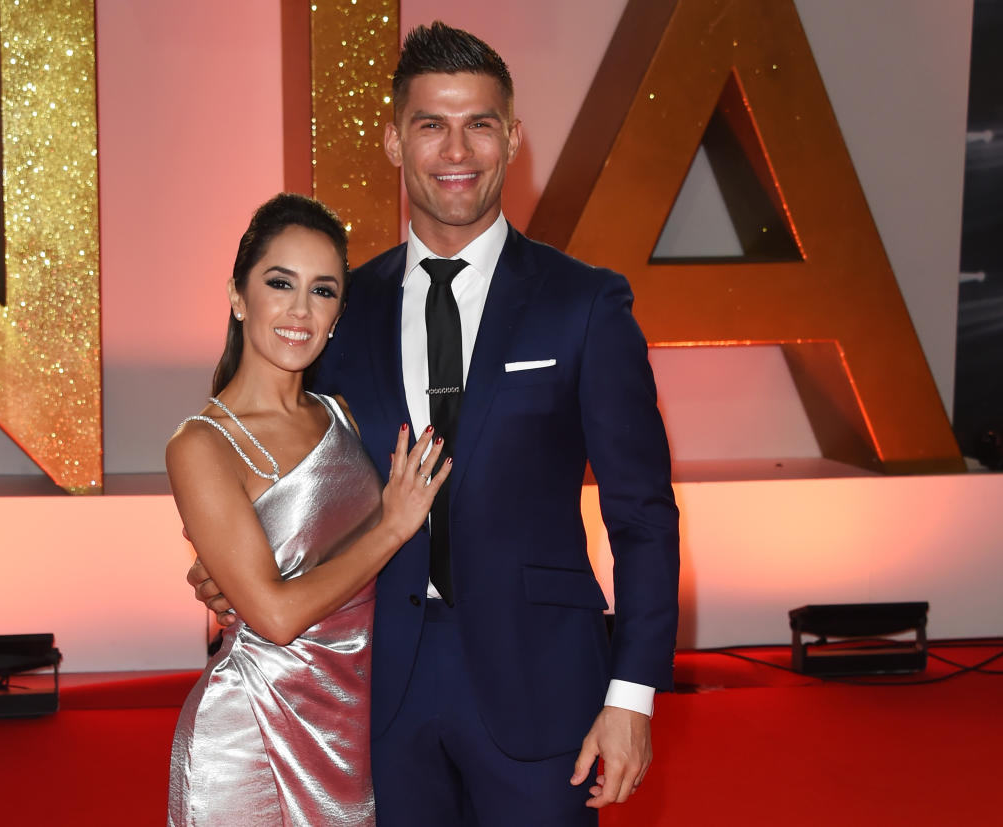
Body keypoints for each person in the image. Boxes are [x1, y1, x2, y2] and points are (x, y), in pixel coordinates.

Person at [190, 22, 680, 825]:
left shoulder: (584, 304)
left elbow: (643, 514)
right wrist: (233, 565)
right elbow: (286, 463)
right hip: (374, 689)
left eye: (480, 123)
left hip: (543, 685)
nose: (458, 150)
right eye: (431, 124)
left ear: (512, 138)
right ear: (394, 141)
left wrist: (633, 693)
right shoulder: (340, 310)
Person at [165, 192, 450, 826]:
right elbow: (273, 613)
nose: (299, 310)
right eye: (279, 283)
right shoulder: (202, 444)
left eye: (322, 291)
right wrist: (395, 525)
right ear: (239, 297)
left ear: (338, 312)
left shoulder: (343, 416)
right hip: (249, 738)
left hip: (350, 728)